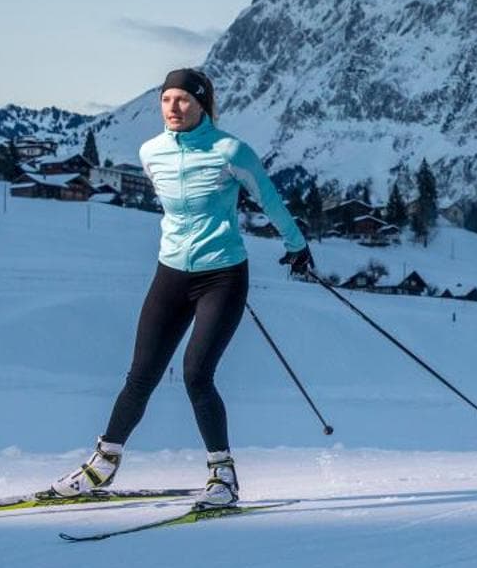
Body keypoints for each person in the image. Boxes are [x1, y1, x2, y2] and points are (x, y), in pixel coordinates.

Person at [48, 68, 313, 507]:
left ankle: (223, 475)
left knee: (196, 374)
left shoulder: (230, 150)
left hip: (223, 276)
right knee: (141, 375)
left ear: (202, 103)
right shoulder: (151, 152)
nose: (173, 107)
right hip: (170, 274)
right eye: (166, 99)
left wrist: (296, 245)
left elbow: (269, 199)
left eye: (184, 99)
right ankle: (103, 464)